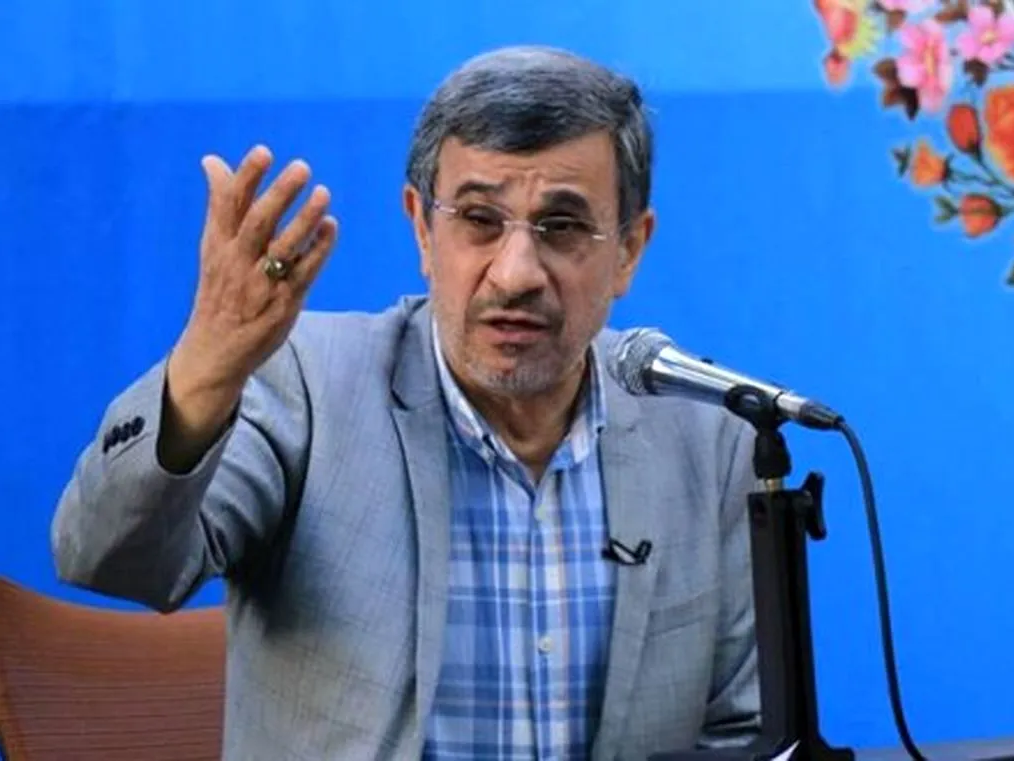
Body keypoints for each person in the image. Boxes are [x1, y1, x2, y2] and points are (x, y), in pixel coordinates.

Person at [50, 45, 761, 760]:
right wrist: (206, 367)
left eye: (562, 226)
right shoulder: (305, 391)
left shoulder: (707, 438)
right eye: (479, 219)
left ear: (629, 249)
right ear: (423, 228)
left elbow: (745, 734)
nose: (515, 273)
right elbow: (109, 557)